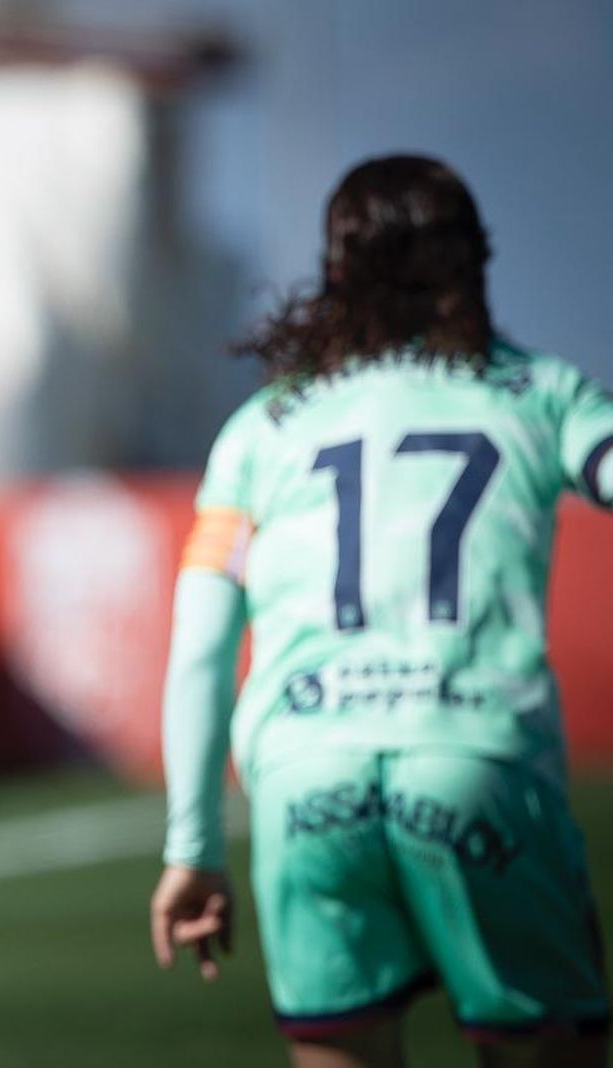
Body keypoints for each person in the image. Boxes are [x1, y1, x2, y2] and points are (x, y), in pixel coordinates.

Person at [149, 155, 612, 1068]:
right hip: (474, 757)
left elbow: (201, 647)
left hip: (305, 778)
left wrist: (193, 849)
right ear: (472, 260)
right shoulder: (542, 391)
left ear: (336, 270)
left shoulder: (263, 427)